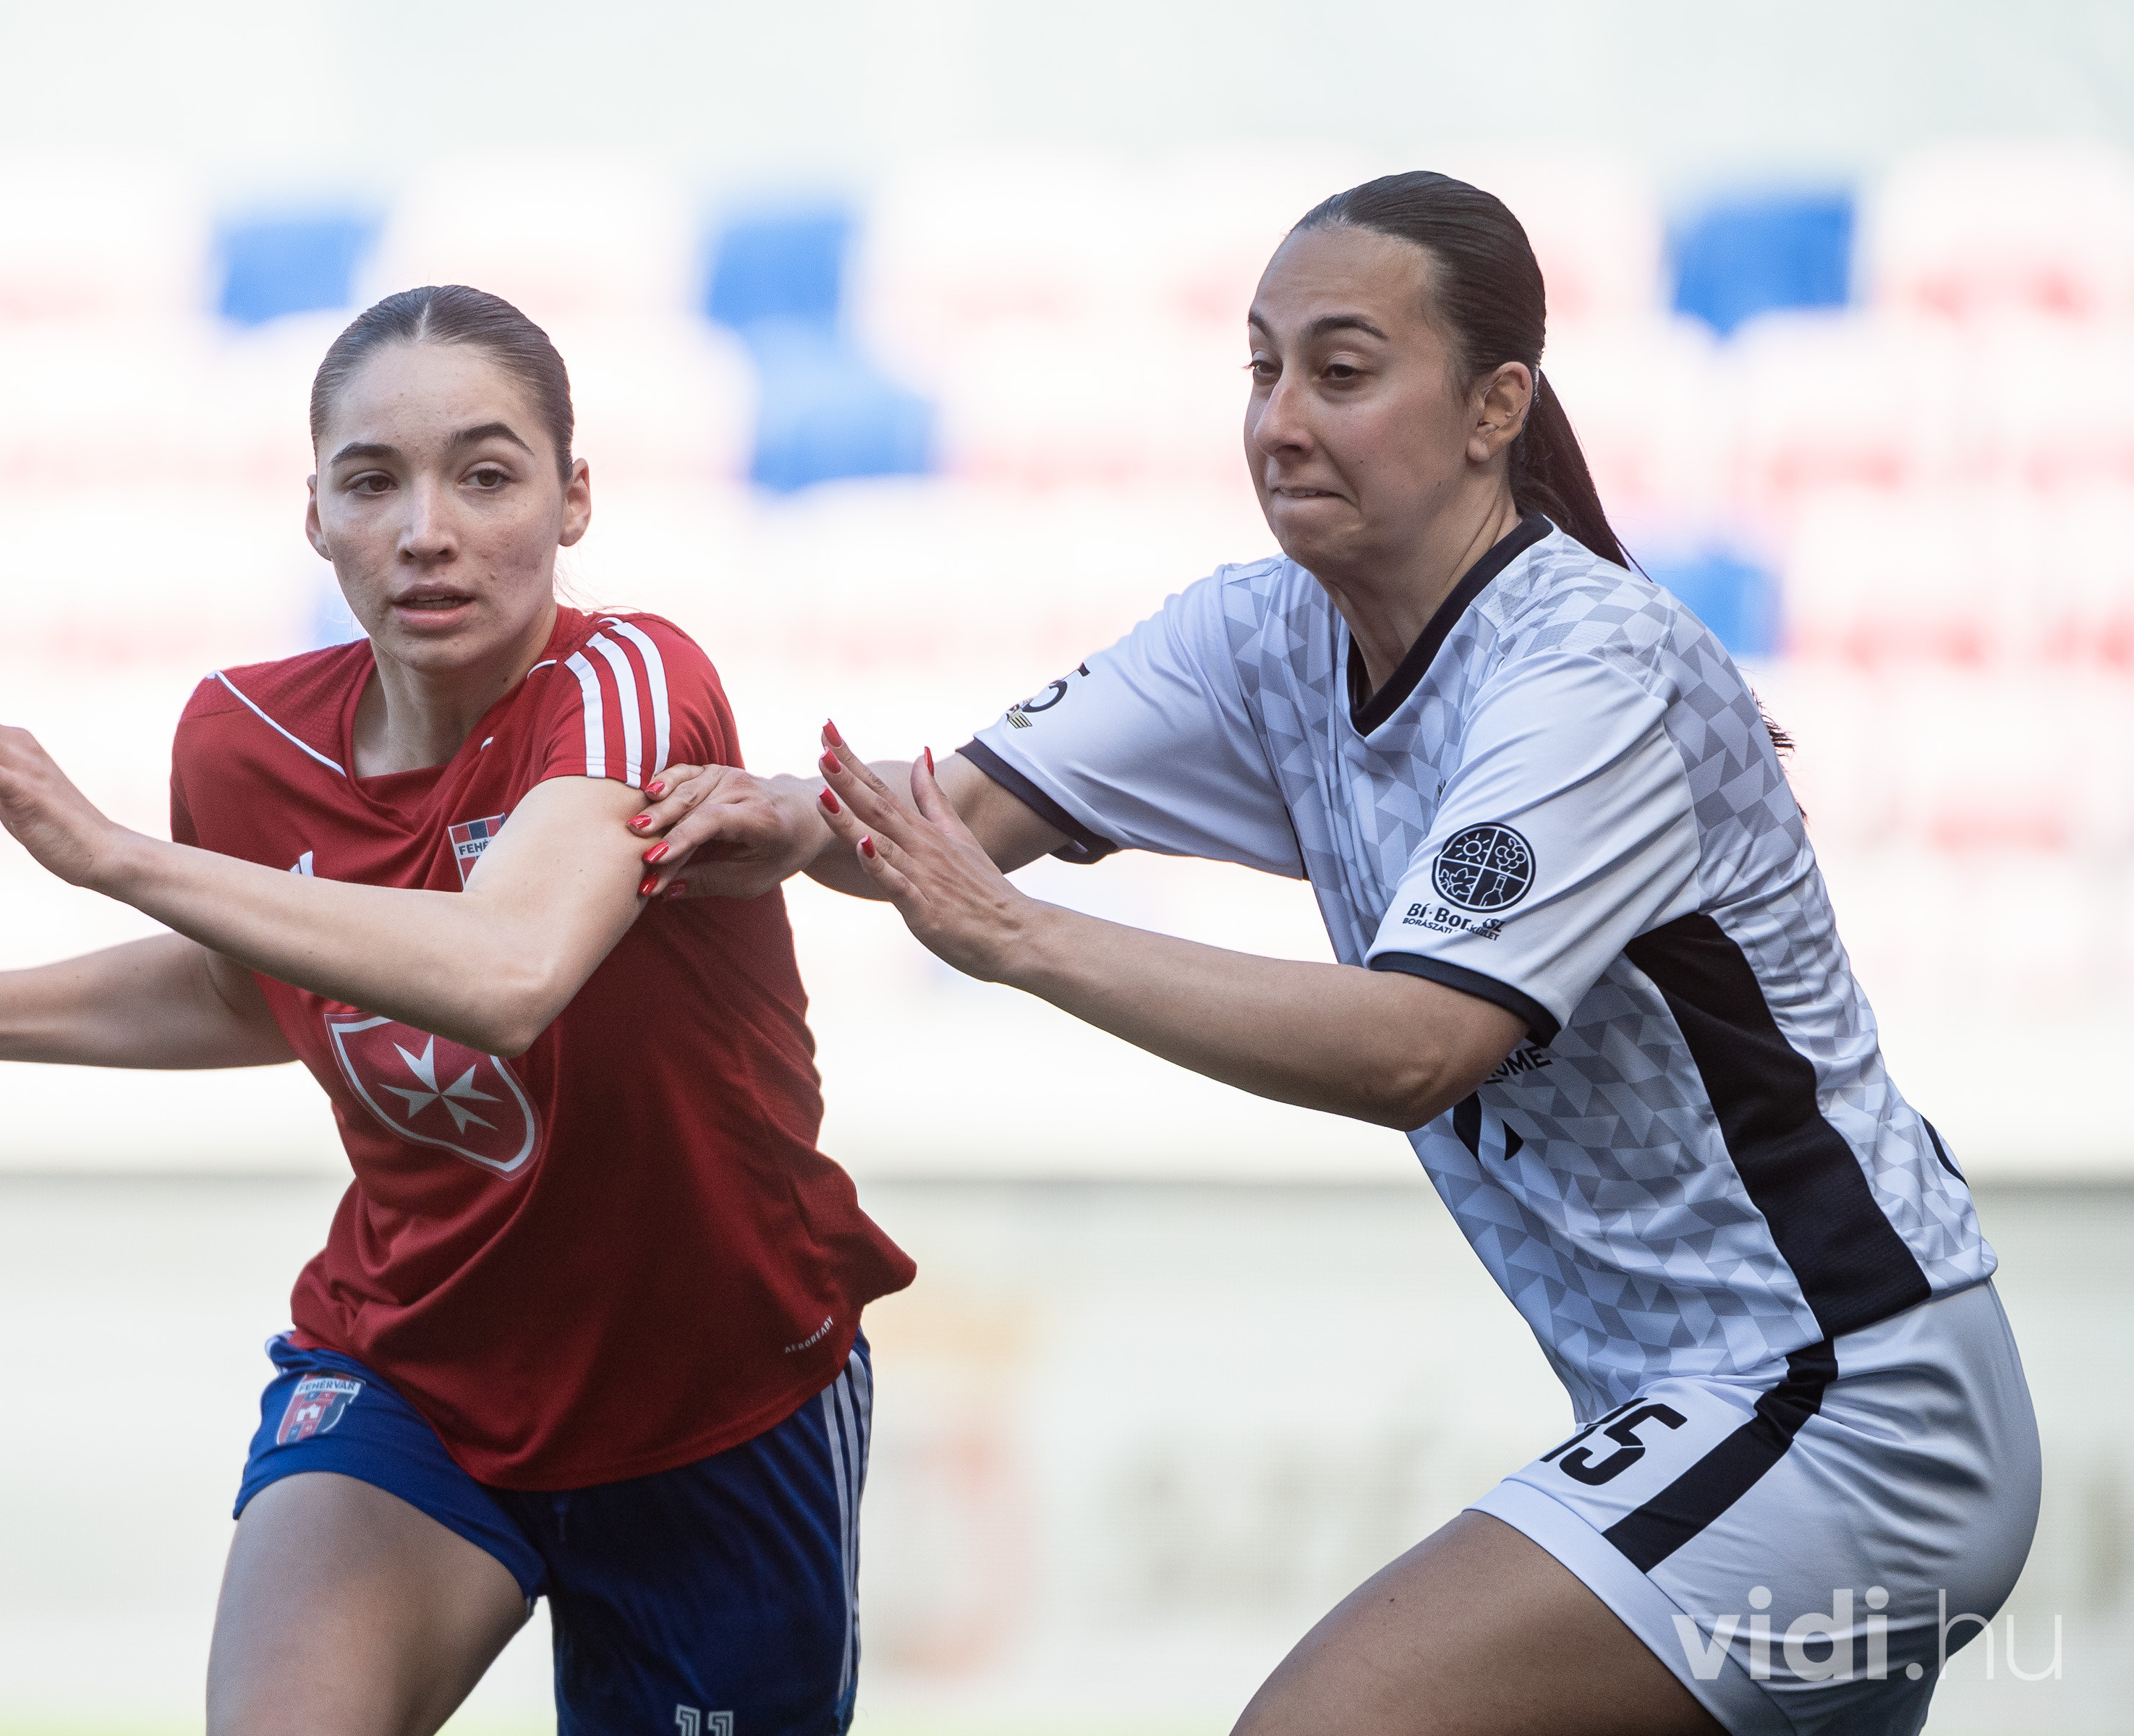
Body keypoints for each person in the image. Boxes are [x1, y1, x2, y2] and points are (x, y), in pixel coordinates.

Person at [632, 173, 2036, 1736]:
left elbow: (1415, 1047)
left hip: (1846, 1410)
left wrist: (1017, 938)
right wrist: (775, 817)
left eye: (1344, 372)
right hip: (1714, 1411)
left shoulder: (1592, 668)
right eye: (1263, 369)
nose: (1282, 421)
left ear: (1497, 406)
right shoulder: (1263, 636)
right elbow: (948, 821)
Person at [0, 284, 914, 1736]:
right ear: (315, 516)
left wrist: (116, 856)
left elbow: (508, 972)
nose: (426, 529)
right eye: (372, 481)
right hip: (415, 1372)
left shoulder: (629, 681)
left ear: (574, 502)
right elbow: (249, 992)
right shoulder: (243, 739)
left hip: (714, 1399)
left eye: (487, 477)